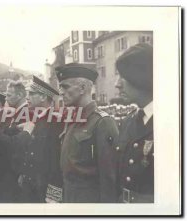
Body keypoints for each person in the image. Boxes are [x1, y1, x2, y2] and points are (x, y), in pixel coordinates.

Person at [55, 62, 119, 203]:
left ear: (83, 88)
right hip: (70, 199)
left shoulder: (102, 122)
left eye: (65, 87)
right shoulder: (72, 120)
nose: (61, 92)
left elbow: (109, 178)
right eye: (60, 88)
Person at [115, 43, 154, 203]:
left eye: (123, 76)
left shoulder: (173, 123)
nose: (117, 84)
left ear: (140, 77)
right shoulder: (128, 121)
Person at [18, 75, 63, 203]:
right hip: (32, 185)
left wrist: (54, 195)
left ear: (43, 97)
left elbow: (56, 160)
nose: (27, 97)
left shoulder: (55, 120)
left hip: (44, 187)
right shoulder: (38, 119)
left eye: (32, 94)